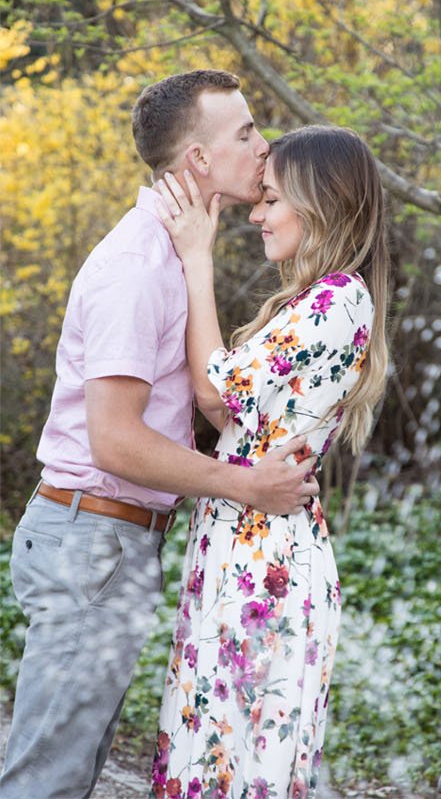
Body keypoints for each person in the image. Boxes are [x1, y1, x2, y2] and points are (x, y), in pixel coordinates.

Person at [0, 70, 318, 799]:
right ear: (198, 162)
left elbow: (206, 398)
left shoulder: (175, 252)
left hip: (112, 545)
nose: (262, 145)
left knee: (69, 772)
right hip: (91, 542)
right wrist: (247, 484)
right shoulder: (136, 268)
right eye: (244, 132)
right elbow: (115, 442)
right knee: (45, 780)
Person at [149, 123, 391, 798]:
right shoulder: (314, 302)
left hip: (267, 564)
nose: (257, 213)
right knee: (214, 750)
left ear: (322, 204)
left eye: (272, 199)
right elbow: (231, 412)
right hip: (246, 541)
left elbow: (213, 389)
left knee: (235, 764)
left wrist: (197, 259)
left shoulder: (337, 299)